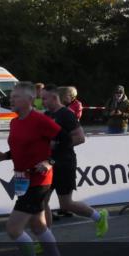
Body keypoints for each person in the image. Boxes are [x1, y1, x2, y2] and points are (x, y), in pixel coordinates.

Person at [0, 82, 66, 256]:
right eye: (12, 96)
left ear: (30, 100)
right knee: (38, 225)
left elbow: (66, 140)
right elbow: (22, 148)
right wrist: (5, 156)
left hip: (39, 181)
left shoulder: (40, 120)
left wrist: (50, 161)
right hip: (22, 179)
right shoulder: (15, 122)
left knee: (13, 228)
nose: (11, 99)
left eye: (16, 96)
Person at [41, 86, 109, 234]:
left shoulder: (66, 114)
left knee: (66, 204)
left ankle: (99, 217)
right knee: (42, 201)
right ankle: (45, 237)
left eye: (44, 98)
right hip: (48, 165)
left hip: (64, 163)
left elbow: (80, 138)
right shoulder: (46, 115)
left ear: (54, 98)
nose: (42, 101)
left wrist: (57, 144)